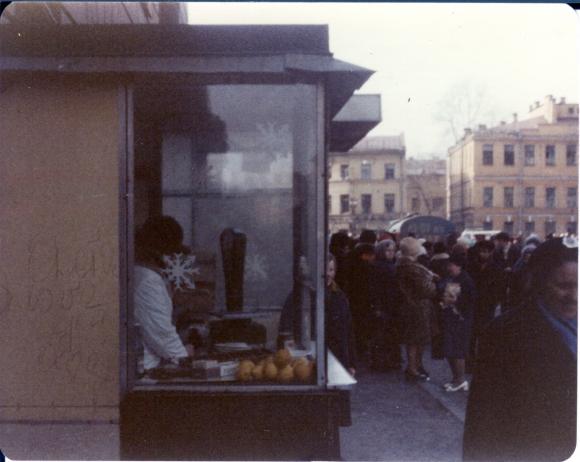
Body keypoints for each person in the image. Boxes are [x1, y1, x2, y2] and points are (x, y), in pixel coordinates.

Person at [463, 237, 577, 461]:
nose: (574, 297)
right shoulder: (505, 333)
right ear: (539, 283)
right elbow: (483, 419)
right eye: (564, 286)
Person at [134, 216, 194, 372]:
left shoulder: (144, 275)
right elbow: (162, 334)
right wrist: (183, 357)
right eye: (172, 254)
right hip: (149, 369)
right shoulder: (148, 280)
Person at [395, 237, 438, 381]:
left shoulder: (402, 265)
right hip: (418, 308)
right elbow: (427, 290)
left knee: (414, 339)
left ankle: (414, 367)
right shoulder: (413, 268)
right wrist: (432, 282)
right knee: (416, 340)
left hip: (411, 306)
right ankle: (413, 368)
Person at [438, 254, 476, 392]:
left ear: (458, 266)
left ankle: (460, 380)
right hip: (451, 317)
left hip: (461, 319)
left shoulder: (466, 280)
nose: (449, 267)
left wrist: (455, 301)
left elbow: (470, 301)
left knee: (458, 350)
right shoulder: (451, 278)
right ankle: (455, 379)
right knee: (450, 349)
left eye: (451, 265)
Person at [369, 239, 402, 370]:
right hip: (384, 304)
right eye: (388, 250)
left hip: (389, 304)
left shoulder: (386, 265)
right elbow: (375, 288)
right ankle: (383, 361)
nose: (391, 253)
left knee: (385, 333)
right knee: (383, 334)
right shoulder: (381, 266)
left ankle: (385, 361)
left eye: (393, 250)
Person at [325, 254, 356, 376]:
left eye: (331, 270)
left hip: (337, 355)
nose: (328, 274)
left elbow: (348, 330)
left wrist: (351, 362)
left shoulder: (340, 296)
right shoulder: (309, 295)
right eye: (325, 269)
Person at [345, 243, 376, 359]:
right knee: (362, 328)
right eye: (371, 255)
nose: (373, 257)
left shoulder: (352, 265)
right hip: (363, 303)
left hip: (355, 302)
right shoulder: (365, 268)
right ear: (365, 255)